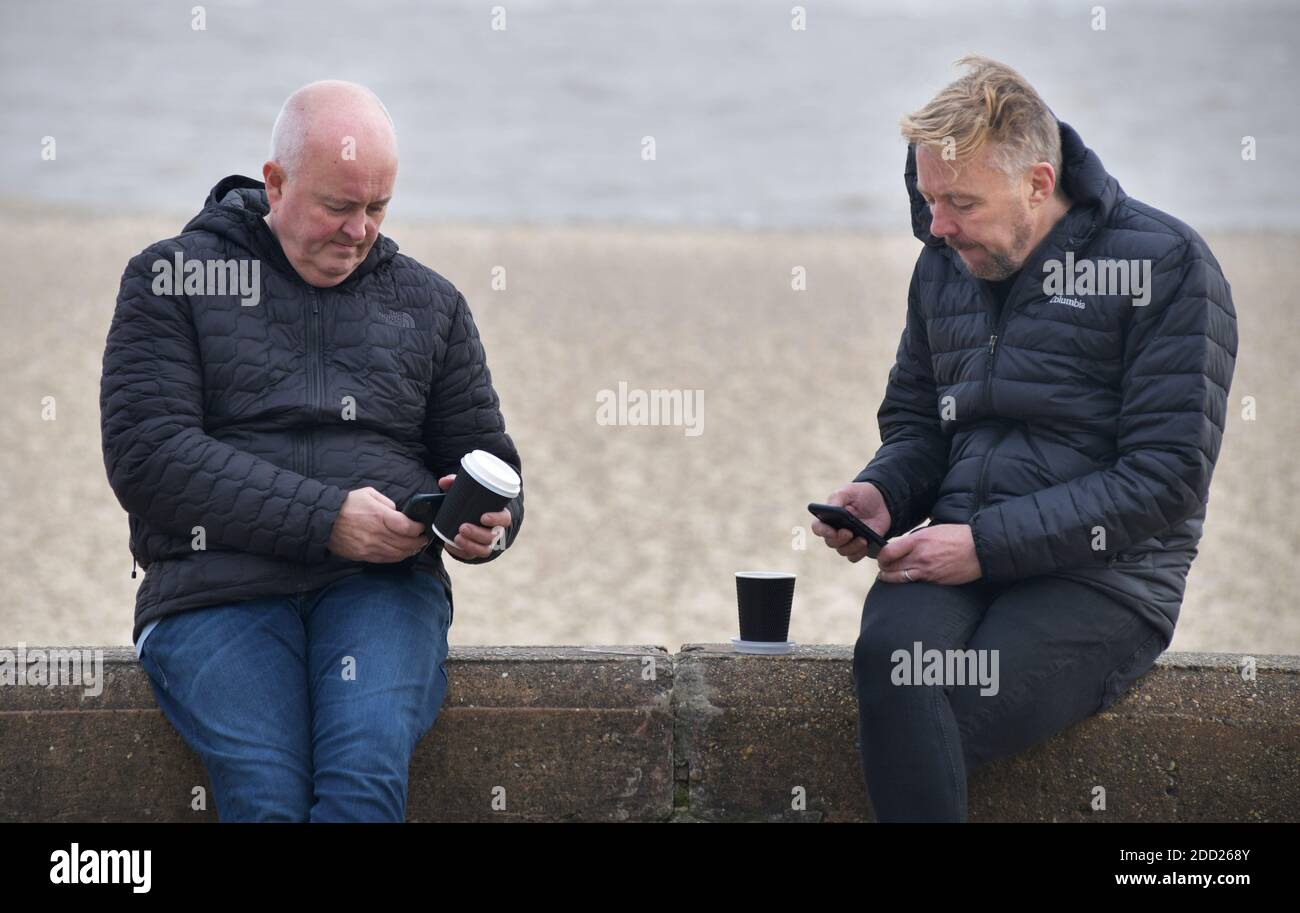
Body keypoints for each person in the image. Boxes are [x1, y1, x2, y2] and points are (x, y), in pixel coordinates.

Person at [812, 56, 1237, 822]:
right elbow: (918, 424)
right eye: (928, 197)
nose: (937, 225)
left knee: (950, 706)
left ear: (1038, 184)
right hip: (959, 552)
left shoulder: (1166, 265)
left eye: (960, 203)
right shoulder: (943, 263)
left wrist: (983, 543)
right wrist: (880, 492)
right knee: (892, 666)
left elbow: (1167, 476)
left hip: (1107, 575)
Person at [100, 80, 524, 822]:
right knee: (267, 794)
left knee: (361, 784)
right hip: (215, 588)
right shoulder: (172, 278)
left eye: (378, 208)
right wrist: (324, 516)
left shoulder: (431, 303)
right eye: (338, 207)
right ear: (275, 183)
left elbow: (489, 459)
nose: (359, 231)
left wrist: (487, 524)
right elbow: (149, 456)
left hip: (381, 588)